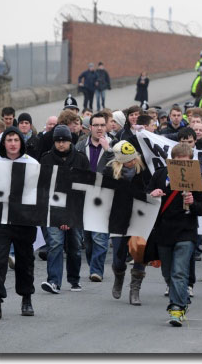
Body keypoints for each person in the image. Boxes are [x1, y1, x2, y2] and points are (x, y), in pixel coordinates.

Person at [148, 143, 202, 326]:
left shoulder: (198, 178)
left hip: (185, 231)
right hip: (164, 231)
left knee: (179, 272)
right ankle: (181, 299)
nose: (182, 167)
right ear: (171, 162)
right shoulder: (159, 175)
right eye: (178, 163)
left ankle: (177, 308)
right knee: (168, 273)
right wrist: (152, 194)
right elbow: (145, 198)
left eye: (186, 163)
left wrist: (192, 202)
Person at [0, 127, 39, 319]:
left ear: (21, 142)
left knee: (25, 261)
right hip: (1, 220)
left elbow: (40, 193)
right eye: (8, 140)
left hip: (24, 221)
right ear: (3, 143)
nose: (12, 143)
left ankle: (26, 297)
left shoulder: (32, 164)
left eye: (15, 140)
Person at [39, 125, 90, 294]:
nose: (61, 144)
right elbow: (44, 188)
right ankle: (53, 281)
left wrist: (70, 216)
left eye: (64, 141)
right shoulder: (46, 159)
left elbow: (85, 188)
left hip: (75, 211)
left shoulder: (81, 159)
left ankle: (74, 279)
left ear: (70, 141)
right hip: (53, 211)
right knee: (55, 244)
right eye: (58, 141)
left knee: (75, 246)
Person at [105, 140, 148, 305]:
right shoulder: (109, 172)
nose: (133, 161)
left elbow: (150, 188)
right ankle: (119, 276)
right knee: (118, 257)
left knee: (140, 252)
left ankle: (135, 290)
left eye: (134, 158)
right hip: (118, 218)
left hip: (139, 217)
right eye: (129, 160)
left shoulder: (143, 169)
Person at [75, 113, 114, 282]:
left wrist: (109, 151)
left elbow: (119, 171)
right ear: (90, 127)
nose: (99, 128)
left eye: (102, 125)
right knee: (88, 237)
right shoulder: (81, 145)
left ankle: (96, 269)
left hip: (104, 197)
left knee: (100, 236)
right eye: (95, 125)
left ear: (106, 127)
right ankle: (93, 265)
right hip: (84, 196)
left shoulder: (114, 145)